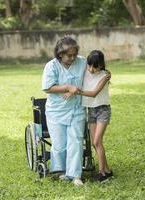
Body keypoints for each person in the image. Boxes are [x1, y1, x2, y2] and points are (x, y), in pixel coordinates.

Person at [41, 36, 87, 186]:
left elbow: (94, 73)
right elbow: (48, 87)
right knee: (60, 144)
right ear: (60, 53)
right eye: (69, 55)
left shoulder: (82, 62)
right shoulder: (51, 66)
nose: (73, 58)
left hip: (76, 108)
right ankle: (63, 171)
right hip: (56, 111)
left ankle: (75, 175)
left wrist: (105, 74)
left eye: (74, 54)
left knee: (76, 141)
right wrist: (67, 87)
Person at [79, 50, 113, 183]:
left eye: (95, 67)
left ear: (101, 65)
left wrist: (76, 91)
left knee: (97, 141)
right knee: (94, 143)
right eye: (89, 65)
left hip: (103, 110)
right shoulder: (85, 70)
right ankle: (108, 170)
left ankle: (102, 173)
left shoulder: (104, 76)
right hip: (91, 110)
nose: (92, 69)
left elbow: (93, 93)